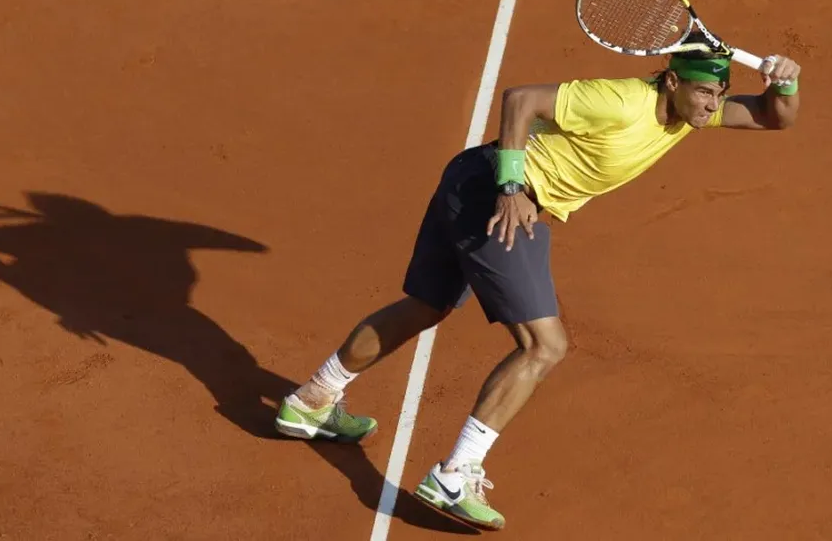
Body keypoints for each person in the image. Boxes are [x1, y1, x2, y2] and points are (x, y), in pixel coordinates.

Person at [274, 32, 801, 531]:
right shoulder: (619, 102)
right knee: (544, 346)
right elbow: (521, 98)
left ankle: (312, 400)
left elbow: (774, 118)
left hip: (470, 180)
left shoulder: (691, 116)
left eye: (720, 94)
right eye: (706, 92)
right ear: (672, 82)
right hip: (497, 195)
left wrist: (785, 81)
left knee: (427, 306)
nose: (713, 105)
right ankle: (455, 477)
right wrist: (510, 186)